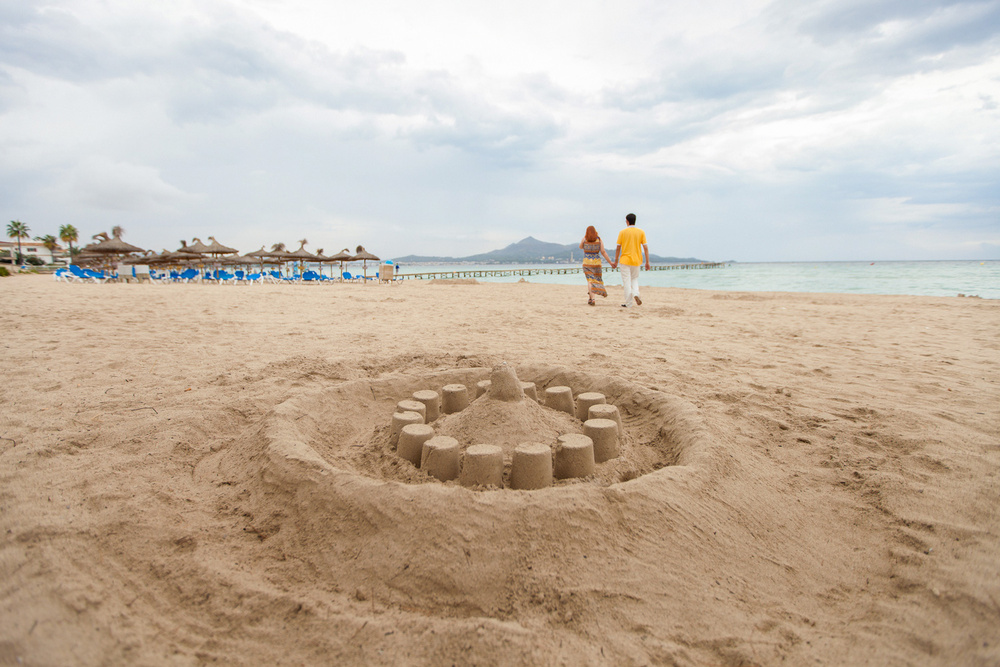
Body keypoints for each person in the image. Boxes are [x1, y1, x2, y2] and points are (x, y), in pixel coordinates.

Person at [611, 213, 650, 308]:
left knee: (626, 282)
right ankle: (636, 293)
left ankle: (629, 303)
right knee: (634, 279)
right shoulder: (641, 232)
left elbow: (618, 248)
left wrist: (615, 261)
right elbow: (645, 248)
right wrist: (647, 262)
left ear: (627, 221)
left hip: (625, 260)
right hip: (636, 260)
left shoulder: (622, 232)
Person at [579, 225, 614, 306]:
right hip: (596, 263)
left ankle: (592, 299)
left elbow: (580, 247)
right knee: (595, 280)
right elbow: (603, 252)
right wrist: (610, 262)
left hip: (587, 263)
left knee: (590, 281)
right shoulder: (599, 239)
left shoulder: (584, 239)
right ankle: (591, 298)